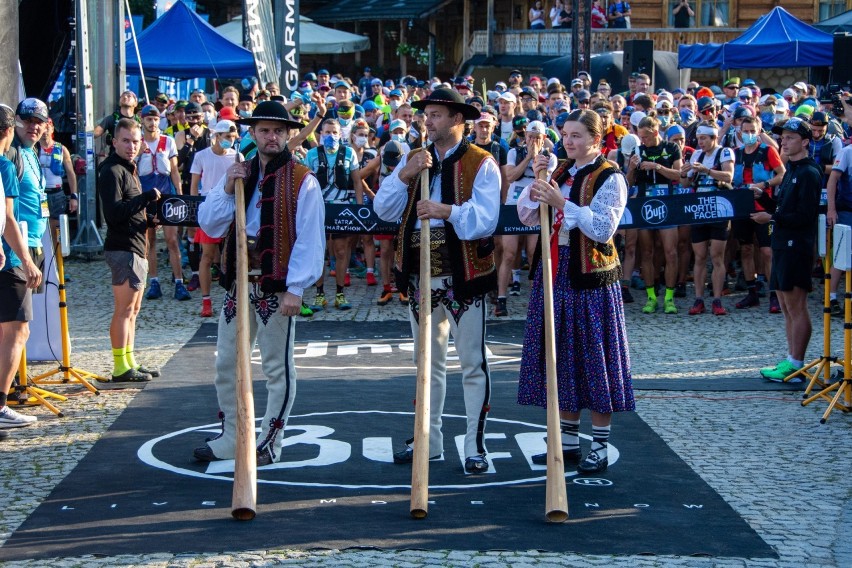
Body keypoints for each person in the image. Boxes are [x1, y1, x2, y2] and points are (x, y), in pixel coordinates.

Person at [374, 88, 500, 474]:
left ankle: (475, 445)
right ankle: (428, 439)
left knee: (472, 363)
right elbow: (383, 208)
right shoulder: (414, 159)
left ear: (458, 120)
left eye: (437, 115)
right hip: (420, 276)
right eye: (426, 114)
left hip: (464, 275)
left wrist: (447, 211)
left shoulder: (482, 162)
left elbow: (486, 219)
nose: (428, 121)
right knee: (426, 363)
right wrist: (406, 175)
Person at [193, 101, 325, 466]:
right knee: (227, 363)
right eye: (265, 130)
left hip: (277, 286)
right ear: (252, 133)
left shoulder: (303, 179)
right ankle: (233, 436)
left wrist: (296, 288)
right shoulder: (240, 172)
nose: (272, 137)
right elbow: (210, 224)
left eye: (279, 131)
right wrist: (225, 188)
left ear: (287, 136)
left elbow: (310, 239)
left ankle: (270, 440)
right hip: (239, 282)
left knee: (277, 368)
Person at [517, 109, 633, 474]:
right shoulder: (561, 170)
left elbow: (602, 229)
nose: (569, 141)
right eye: (566, 134)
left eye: (578, 135)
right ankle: (566, 444)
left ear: (597, 140)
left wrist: (560, 203)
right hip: (555, 269)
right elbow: (526, 215)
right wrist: (538, 180)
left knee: (594, 356)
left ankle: (598, 443)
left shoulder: (610, 176)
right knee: (561, 355)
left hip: (590, 276)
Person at [757, 118, 821, 382]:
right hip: (783, 241)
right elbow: (783, 210)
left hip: (797, 245)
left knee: (796, 306)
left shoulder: (808, 172)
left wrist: (771, 218)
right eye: (783, 137)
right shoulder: (792, 169)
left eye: (791, 137)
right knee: (785, 305)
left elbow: (805, 217)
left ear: (805, 141)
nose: (784, 141)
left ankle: (797, 363)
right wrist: (763, 201)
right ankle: (791, 358)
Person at [98, 118, 162, 382]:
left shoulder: (129, 169)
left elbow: (129, 210)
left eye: (136, 141)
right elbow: (113, 214)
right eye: (125, 140)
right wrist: (146, 198)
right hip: (122, 247)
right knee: (123, 310)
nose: (131, 146)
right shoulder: (112, 170)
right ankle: (120, 367)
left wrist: (148, 219)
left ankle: (130, 361)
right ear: (114, 142)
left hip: (136, 246)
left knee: (133, 311)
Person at [0, 103, 42, 431]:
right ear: (10, 130)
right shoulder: (6, 162)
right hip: (10, 257)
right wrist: (27, 260)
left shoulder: (27, 155)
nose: (34, 127)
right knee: (18, 329)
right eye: (26, 122)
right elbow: (8, 218)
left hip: (14, 252)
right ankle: (2, 404)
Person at [625, 115, 683, 314]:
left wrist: (657, 166)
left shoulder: (671, 148)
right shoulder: (638, 150)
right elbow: (628, 183)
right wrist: (631, 168)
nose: (643, 141)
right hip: (644, 204)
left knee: (671, 252)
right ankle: (651, 297)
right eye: (640, 137)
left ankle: (669, 297)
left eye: (646, 137)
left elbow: (680, 175)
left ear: (656, 132)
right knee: (646, 253)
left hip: (666, 203)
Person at [303, 119, 362, 311]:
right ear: (321, 134)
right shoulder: (312, 154)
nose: (331, 136)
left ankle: (340, 293)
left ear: (341, 134)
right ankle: (320, 294)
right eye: (327, 132)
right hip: (318, 208)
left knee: (342, 251)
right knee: (319, 251)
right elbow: (306, 184)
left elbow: (357, 182)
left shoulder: (349, 153)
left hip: (342, 207)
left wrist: (359, 209)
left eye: (335, 132)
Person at [500, 121, 557, 316]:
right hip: (513, 204)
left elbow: (544, 181)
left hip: (534, 206)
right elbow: (511, 176)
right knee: (509, 252)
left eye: (537, 138)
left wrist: (537, 161)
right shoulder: (514, 152)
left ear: (544, 139)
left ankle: (535, 299)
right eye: (530, 137)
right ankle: (501, 298)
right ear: (525, 136)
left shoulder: (551, 157)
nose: (533, 141)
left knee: (534, 252)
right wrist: (528, 159)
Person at [731, 116, 785, 312]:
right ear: (739, 132)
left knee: (767, 251)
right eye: (746, 131)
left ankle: (774, 295)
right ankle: (751, 292)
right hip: (742, 207)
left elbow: (782, 173)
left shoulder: (768, 151)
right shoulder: (735, 153)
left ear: (759, 130)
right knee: (745, 249)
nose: (749, 135)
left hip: (764, 204)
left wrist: (765, 184)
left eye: (753, 130)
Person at [135, 105, 189, 302]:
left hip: (166, 192)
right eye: (149, 119)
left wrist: (180, 195)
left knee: (172, 240)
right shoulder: (138, 142)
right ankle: (154, 281)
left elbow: (175, 170)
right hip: (146, 192)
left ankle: (179, 282)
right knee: (149, 240)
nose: (152, 123)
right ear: (142, 121)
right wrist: (137, 154)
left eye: (156, 119)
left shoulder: (168, 141)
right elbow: (131, 169)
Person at [681, 121, 735, 316]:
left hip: (719, 208)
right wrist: (685, 171)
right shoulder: (697, 154)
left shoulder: (724, 153)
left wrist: (706, 170)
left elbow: (729, 176)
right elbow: (686, 183)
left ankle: (718, 299)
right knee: (700, 256)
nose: (700, 142)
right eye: (699, 138)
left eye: (704, 138)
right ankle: (698, 299)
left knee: (717, 256)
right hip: (700, 209)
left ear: (714, 138)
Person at [189, 120, 241, 318]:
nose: (230, 140)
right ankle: (206, 301)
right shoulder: (202, 156)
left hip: (230, 212)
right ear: (217, 136)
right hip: (209, 211)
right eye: (227, 137)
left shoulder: (237, 156)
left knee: (232, 256)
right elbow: (194, 186)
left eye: (233, 137)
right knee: (207, 256)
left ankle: (233, 298)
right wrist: (195, 216)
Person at [37, 118, 77, 230]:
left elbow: (71, 173)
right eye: (43, 127)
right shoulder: (34, 148)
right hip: (41, 194)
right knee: (42, 226)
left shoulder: (61, 149)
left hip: (57, 194)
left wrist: (74, 196)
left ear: (52, 129)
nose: (45, 130)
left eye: (48, 127)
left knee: (55, 227)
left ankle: (55, 248)